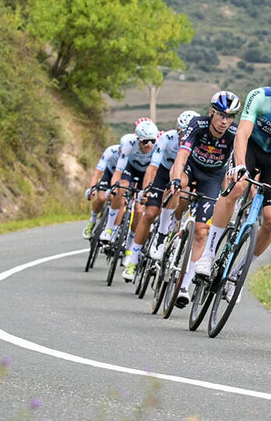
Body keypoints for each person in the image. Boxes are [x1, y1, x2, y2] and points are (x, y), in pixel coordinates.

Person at [188, 58, 271, 303]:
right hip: (249, 149)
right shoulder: (260, 97)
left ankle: (237, 275)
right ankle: (208, 254)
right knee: (236, 187)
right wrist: (239, 164)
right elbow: (243, 133)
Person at [166, 91, 241, 307]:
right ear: (211, 113)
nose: (224, 121)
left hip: (212, 177)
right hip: (192, 167)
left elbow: (239, 162)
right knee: (179, 185)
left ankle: (184, 286)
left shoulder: (234, 133)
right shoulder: (197, 125)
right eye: (220, 115)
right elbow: (182, 155)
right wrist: (176, 179)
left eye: (229, 117)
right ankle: (169, 228)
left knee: (201, 231)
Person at [121, 109, 199, 281]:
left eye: (188, 133)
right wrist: (146, 189)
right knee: (149, 213)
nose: (184, 136)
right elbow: (152, 167)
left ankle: (170, 237)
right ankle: (132, 261)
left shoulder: (198, 142)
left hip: (184, 175)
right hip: (163, 173)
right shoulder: (167, 139)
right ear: (177, 130)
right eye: (182, 132)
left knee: (182, 203)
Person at [99, 121, 159, 258]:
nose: (149, 145)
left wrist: (145, 192)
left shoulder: (157, 147)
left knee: (139, 209)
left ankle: (131, 243)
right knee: (121, 188)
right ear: (138, 139)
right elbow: (119, 170)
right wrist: (114, 187)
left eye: (152, 141)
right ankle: (110, 228)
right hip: (130, 169)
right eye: (145, 142)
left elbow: (154, 172)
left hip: (147, 173)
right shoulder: (129, 143)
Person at [82, 139, 130, 239]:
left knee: (120, 201)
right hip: (110, 174)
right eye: (122, 150)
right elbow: (98, 172)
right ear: (119, 148)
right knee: (102, 198)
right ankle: (92, 221)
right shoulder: (111, 151)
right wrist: (92, 188)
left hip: (124, 178)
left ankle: (113, 230)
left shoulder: (132, 155)